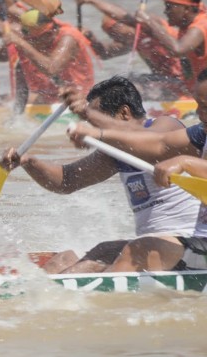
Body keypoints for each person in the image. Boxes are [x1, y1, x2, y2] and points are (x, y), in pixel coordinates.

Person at [2, 77, 200, 274]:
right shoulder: (115, 151)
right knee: (65, 260)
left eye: (97, 119)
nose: (94, 127)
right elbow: (67, 180)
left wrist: (86, 113)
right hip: (154, 244)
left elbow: (153, 141)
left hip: (189, 242)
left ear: (124, 113)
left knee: (115, 257)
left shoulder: (167, 126)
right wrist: (28, 162)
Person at [67, 71, 207, 272]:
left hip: (197, 247)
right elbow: (158, 143)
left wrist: (185, 162)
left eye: (206, 106)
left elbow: (149, 135)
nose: (200, 113)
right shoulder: (201, 133)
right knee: (103, 250)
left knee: (139, 250)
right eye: (198, 105)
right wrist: (97, 132)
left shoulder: (171, 125)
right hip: (197, 241)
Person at [4, 9, 95, 101]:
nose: (33, 43)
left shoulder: (69, 38)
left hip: (78, 97)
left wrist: (22, 44)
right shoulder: (29, 39)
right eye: (30, 39)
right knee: (6, 101)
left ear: (50, 33)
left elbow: (52, 68)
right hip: (51, 95)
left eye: (35, 39)